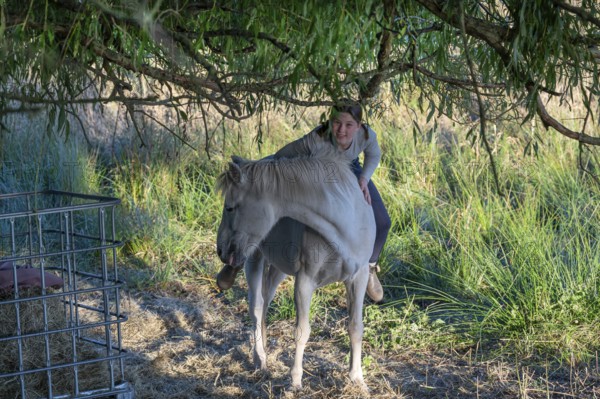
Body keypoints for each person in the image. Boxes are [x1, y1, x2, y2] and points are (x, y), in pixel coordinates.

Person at [216, 99, 391, 302]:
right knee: (265, 210)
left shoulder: (366, 135)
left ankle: (369, 267)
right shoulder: (316, 138)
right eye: (336, 123)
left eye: (349, 125)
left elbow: (374, 154)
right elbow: (279, 157)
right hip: (318, 177)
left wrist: (364, 178)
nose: (342, 130)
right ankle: (235, 262)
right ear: (330, 121)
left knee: (383, 221)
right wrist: (252, 172)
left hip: (351, 173)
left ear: (359, 126)